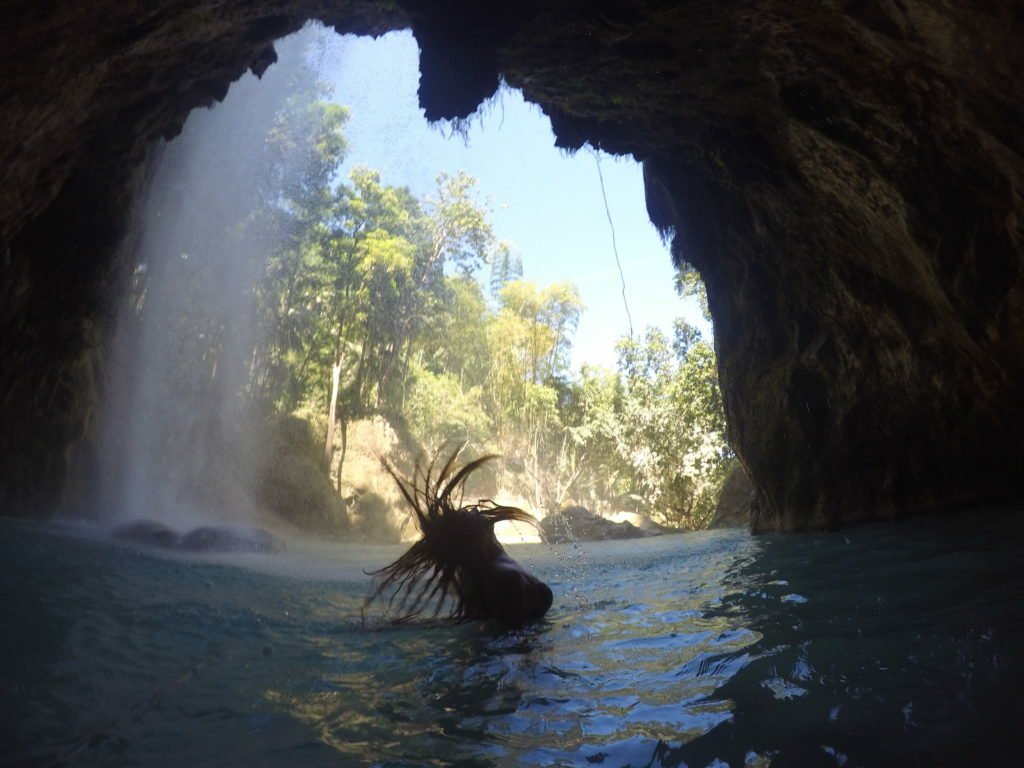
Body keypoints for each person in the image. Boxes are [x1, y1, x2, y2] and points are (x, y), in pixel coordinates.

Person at [364, 450, 553, 628]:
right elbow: (517, 644)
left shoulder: (488, 573)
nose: (474, 510)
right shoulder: (505, 576)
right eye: (468, 515)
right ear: (474, 539)